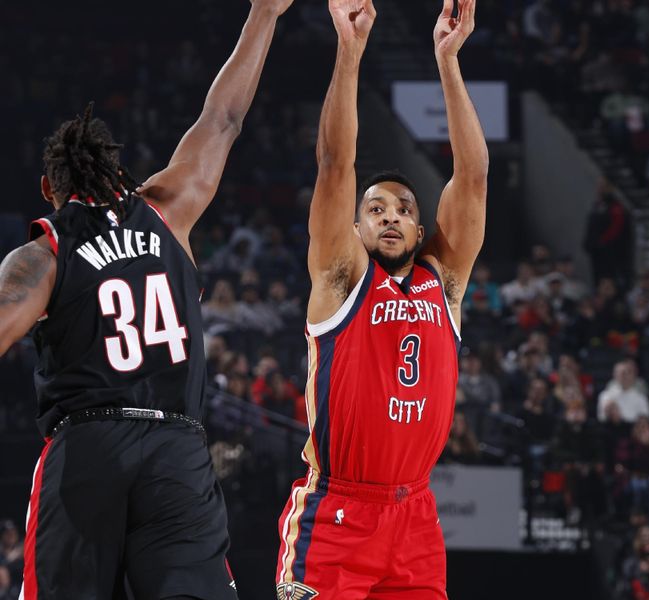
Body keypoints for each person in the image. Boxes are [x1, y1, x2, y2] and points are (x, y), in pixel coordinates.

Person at [0, 0, 295, 597]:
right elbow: (224, 117)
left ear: (48, 191)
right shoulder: (169, 209)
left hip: (89, 448)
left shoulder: (44, 254)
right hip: (177, 450)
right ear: (119, 176)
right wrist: (265, 12)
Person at [275, 0, 488, 597]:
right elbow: (334, 163)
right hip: (337, 512)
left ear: (421, 232)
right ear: (357, 228)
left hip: (415, 515)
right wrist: (350, 51)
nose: (391, 217)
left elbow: (472, 177)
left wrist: (448, 61)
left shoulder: (442, 281)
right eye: (375, 209)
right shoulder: (341, 279)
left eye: (404, 210)